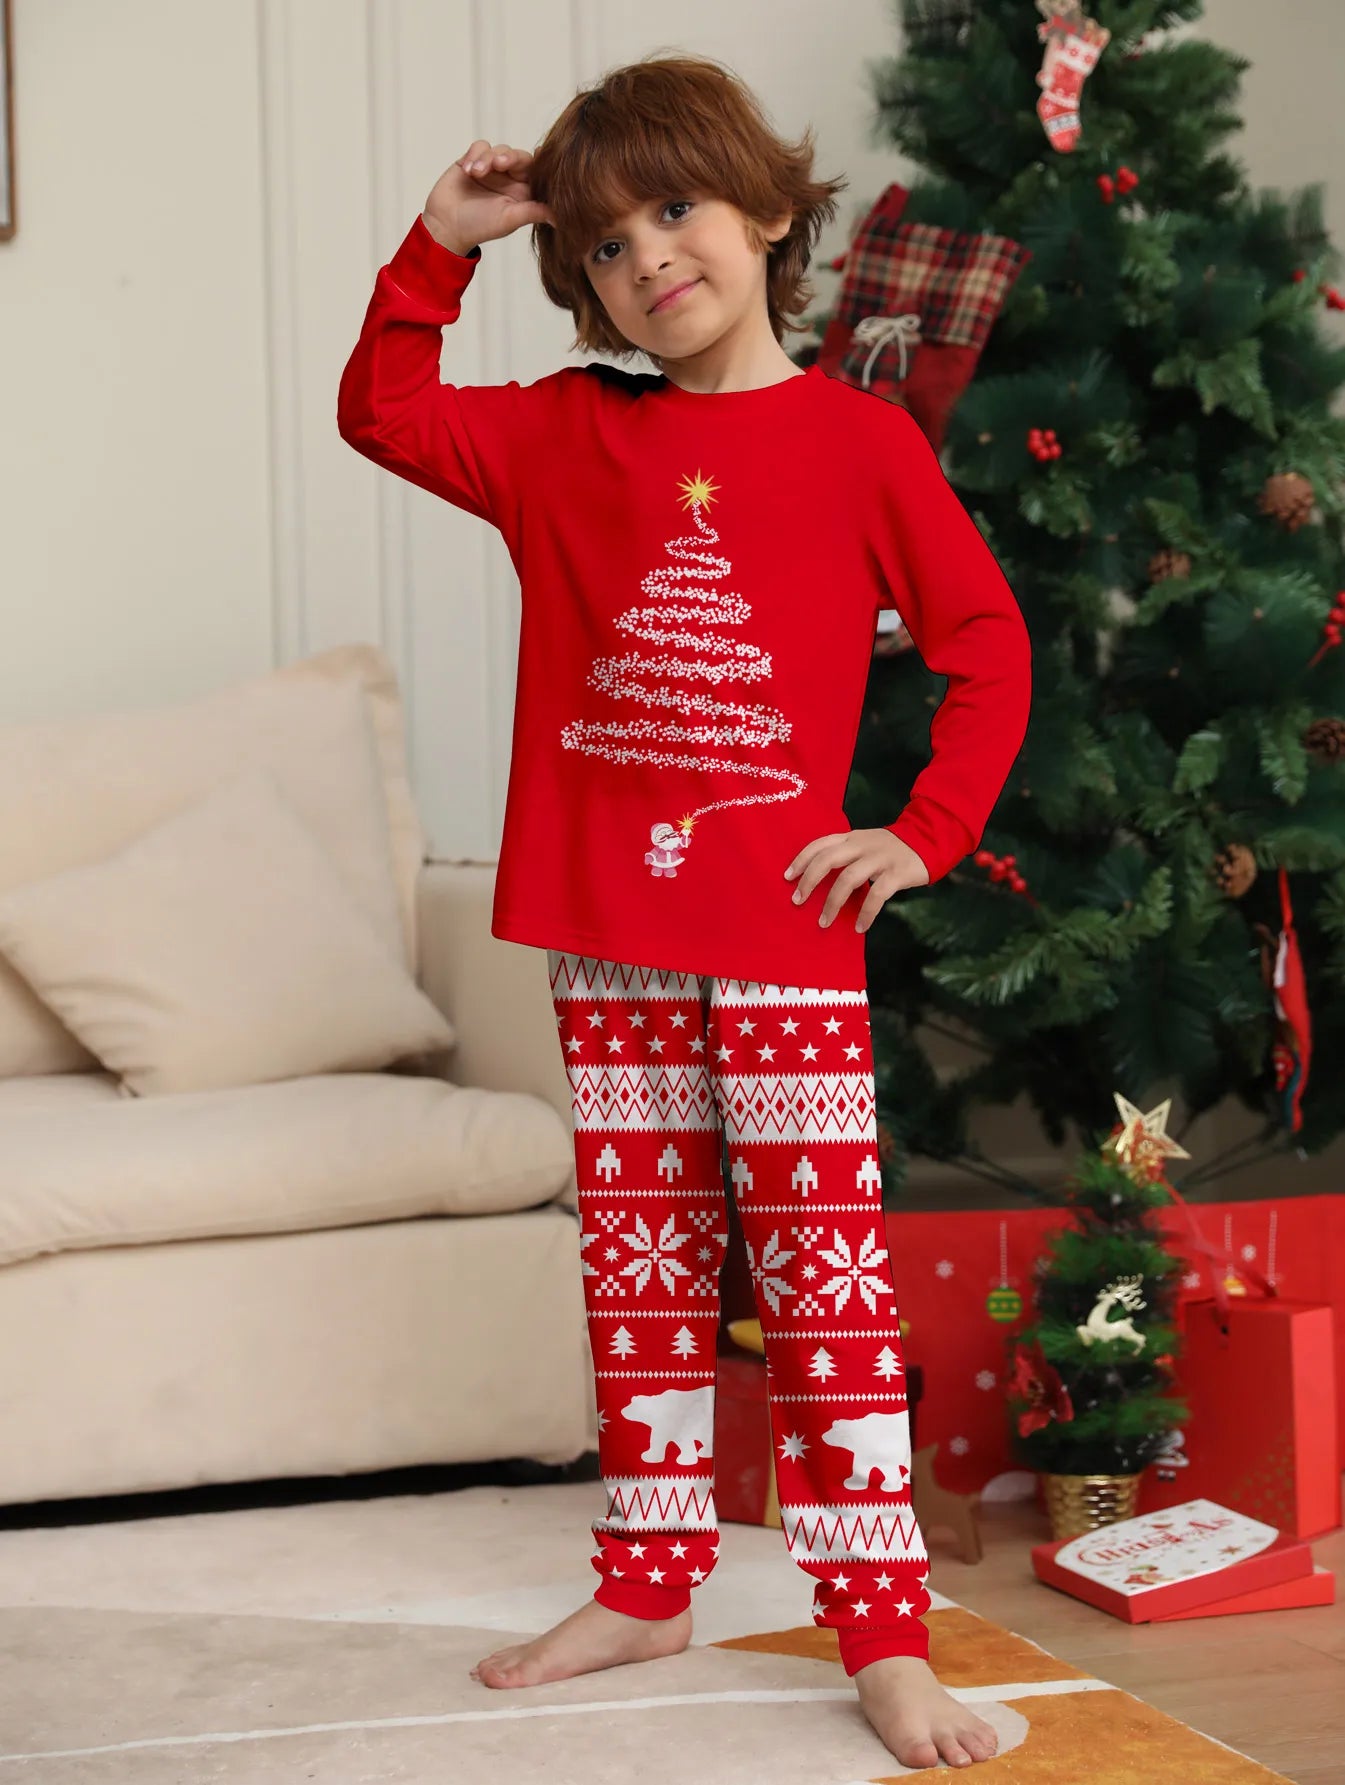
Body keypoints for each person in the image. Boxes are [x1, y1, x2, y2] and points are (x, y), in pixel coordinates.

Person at [338, 50, 1030, 1772]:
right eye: (604, 243)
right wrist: (443, 239)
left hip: (783, 936)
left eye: (674, 209)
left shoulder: (862, 445)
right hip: (608, 936)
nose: (648, 257)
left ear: (769, 211)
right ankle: (645, 1578)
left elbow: (985, 646)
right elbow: (383, 408)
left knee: (822, 1286)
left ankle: (882, 1638)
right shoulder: (568, 431)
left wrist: (922, 832)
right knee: (640, 1274)